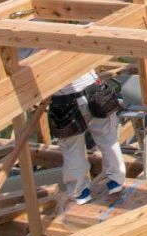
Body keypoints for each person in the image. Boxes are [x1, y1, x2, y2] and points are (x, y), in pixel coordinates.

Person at [48, 70, 126, 205]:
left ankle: (80, 193)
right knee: (108, 139)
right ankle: (116, 181)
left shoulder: (26, 52)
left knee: (72, 150)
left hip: (64, 102)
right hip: (94, 91)